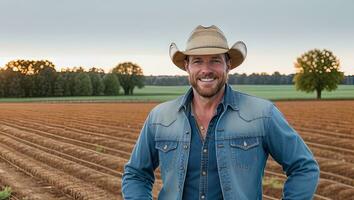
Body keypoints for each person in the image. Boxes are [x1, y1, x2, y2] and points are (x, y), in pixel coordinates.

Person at [122, 25, 320, 200]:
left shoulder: (262, 114)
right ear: (187, 66)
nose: (206, 70)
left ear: (228, 65)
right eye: (198, 61)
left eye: (215, 61)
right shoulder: (160, 117)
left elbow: (304, 167)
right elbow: (136, 174)